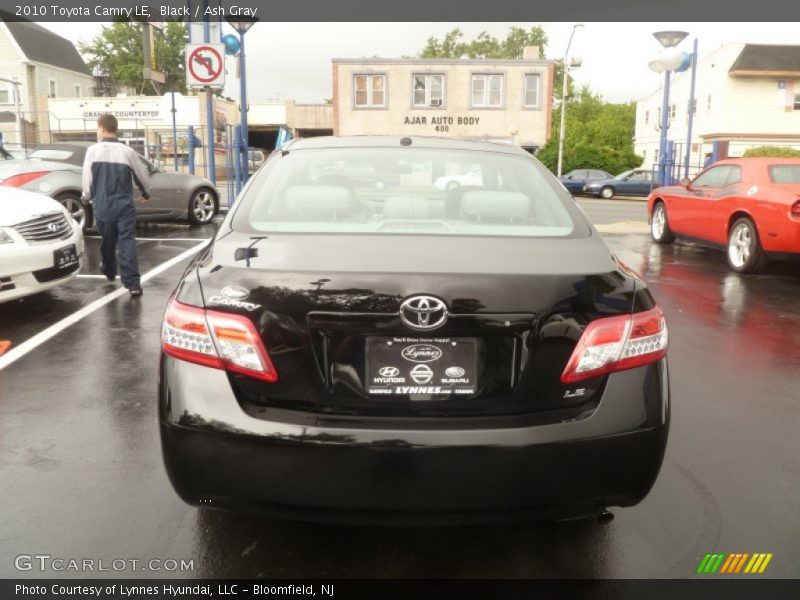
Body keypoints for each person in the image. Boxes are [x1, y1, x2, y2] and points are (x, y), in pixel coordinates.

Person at [81, 114, 151, 296]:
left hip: (103, 206)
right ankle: (133, 284)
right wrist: (145, 192)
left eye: (98, 128)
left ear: (102, 128)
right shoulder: (127, 152)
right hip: (124, 207)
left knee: (108, 240)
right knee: (127, 242)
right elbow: (141, 175)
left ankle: (109, 270)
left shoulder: (93, 151)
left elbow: (87, 178)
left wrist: (86, 197)